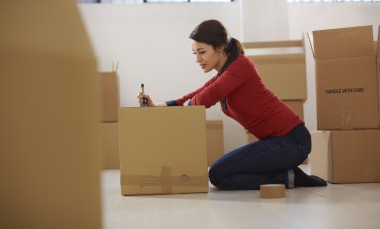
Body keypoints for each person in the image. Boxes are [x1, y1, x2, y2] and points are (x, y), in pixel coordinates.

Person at [137, 19, 327, 190]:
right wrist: (157, 107)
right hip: (275, 142)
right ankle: (288, 175)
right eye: (194, 53)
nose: (197, 59)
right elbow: (194, 95)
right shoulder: (224, 74)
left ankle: (288, 178)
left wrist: (188, 106)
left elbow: (205, 98)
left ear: (220, 47)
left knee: (218, 174)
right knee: (219, 173)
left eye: (202, 52)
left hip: (293, 141)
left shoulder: (241, 66)